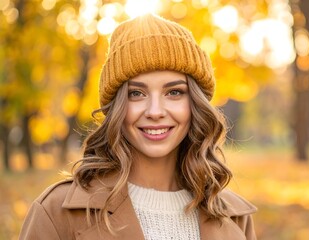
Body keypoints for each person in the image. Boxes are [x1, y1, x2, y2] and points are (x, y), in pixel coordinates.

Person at [19, 14, 257, 240]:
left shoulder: (235, 218)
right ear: (117, 107)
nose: (155, 112)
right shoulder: (56, 211)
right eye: (136, 93)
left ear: (195, 104)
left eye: (174, 92)